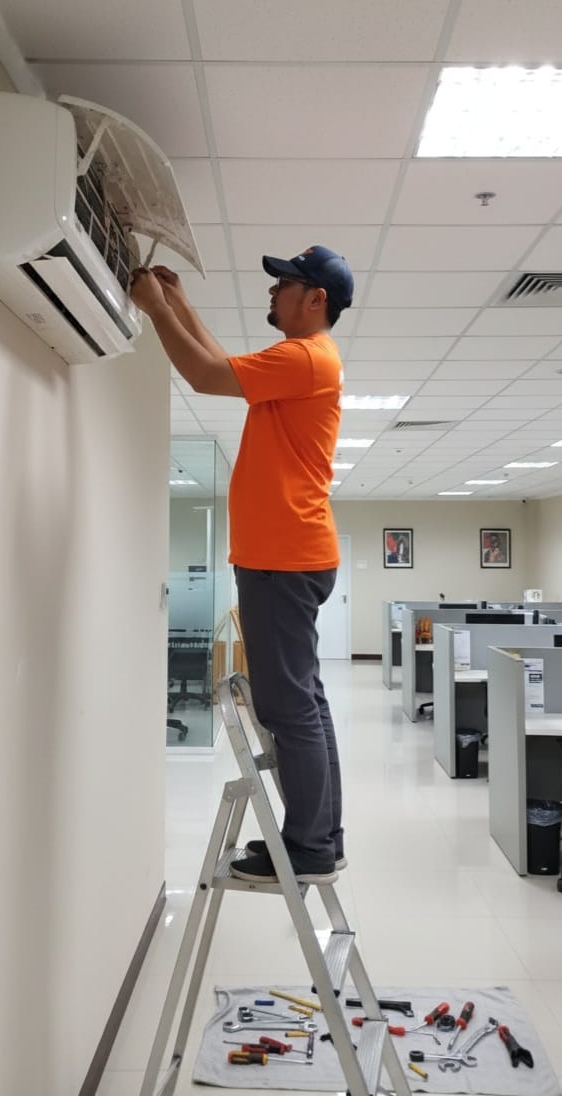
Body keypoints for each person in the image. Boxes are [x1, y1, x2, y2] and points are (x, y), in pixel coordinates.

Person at [130, 245, 354, 885]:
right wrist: (178, 304)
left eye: (284, 284)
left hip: (282, 560)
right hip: (290, 556)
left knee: (288, 710)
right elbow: (224, 366)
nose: (272, 292)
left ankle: (308, 849)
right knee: (305, 703)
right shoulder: (302, 361)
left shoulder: (305, 357)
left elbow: (204, 376)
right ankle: (323, 839)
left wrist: (154, 309)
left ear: (316, 298)